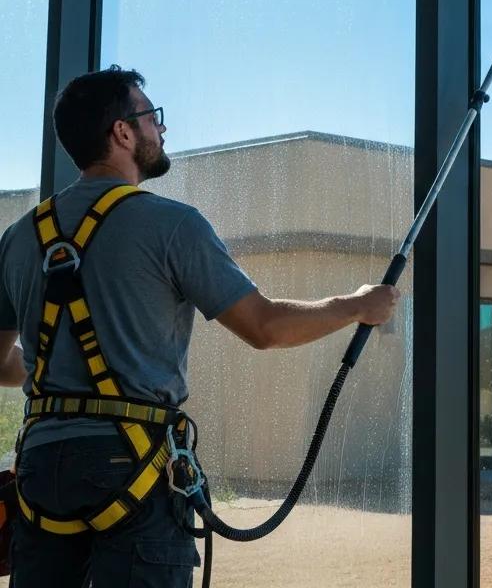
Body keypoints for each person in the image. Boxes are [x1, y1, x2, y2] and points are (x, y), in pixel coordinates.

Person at [0, 66, 399, 586]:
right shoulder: (172, 225)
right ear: (122, 132)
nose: (161, 129)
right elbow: (264, 326)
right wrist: (357, 304)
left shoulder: (18, 237)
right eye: (151, 117)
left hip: (40, 468)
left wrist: (55, 368)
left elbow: (1, 365)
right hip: (133, 464)